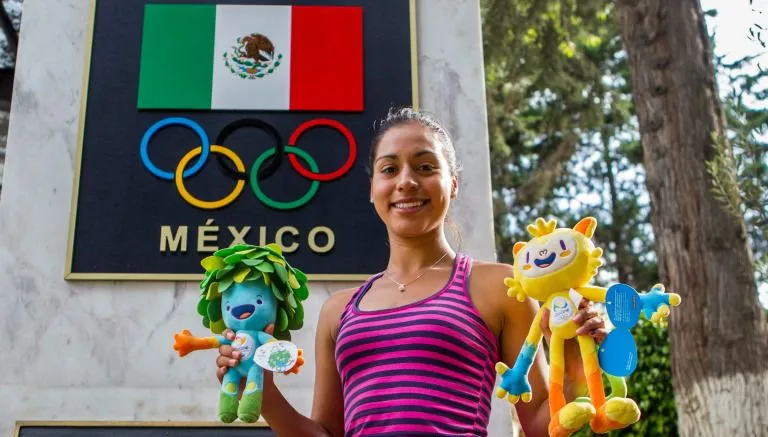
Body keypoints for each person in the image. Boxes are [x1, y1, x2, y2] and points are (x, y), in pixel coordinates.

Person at [215, 107, 607, 437]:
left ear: (452, 184)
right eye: (389, 169)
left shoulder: (500, 287)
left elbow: (540, 424)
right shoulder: (338, 310)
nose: (406, 181)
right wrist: (263, 391)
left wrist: (573, 349)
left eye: (425, 166)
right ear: (373, 188)